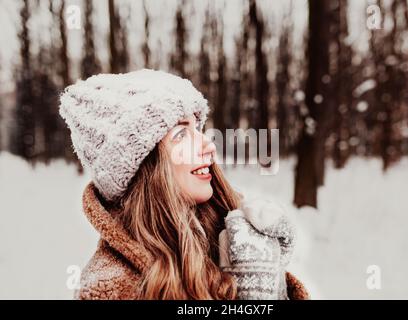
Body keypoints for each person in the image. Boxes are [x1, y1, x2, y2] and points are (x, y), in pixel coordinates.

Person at [59, 69, 309, 300]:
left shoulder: (230, 236)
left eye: (198, 129)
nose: (209, 146)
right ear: (144, 168)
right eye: (181, 134)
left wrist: (274, 285)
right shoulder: (108, 287)